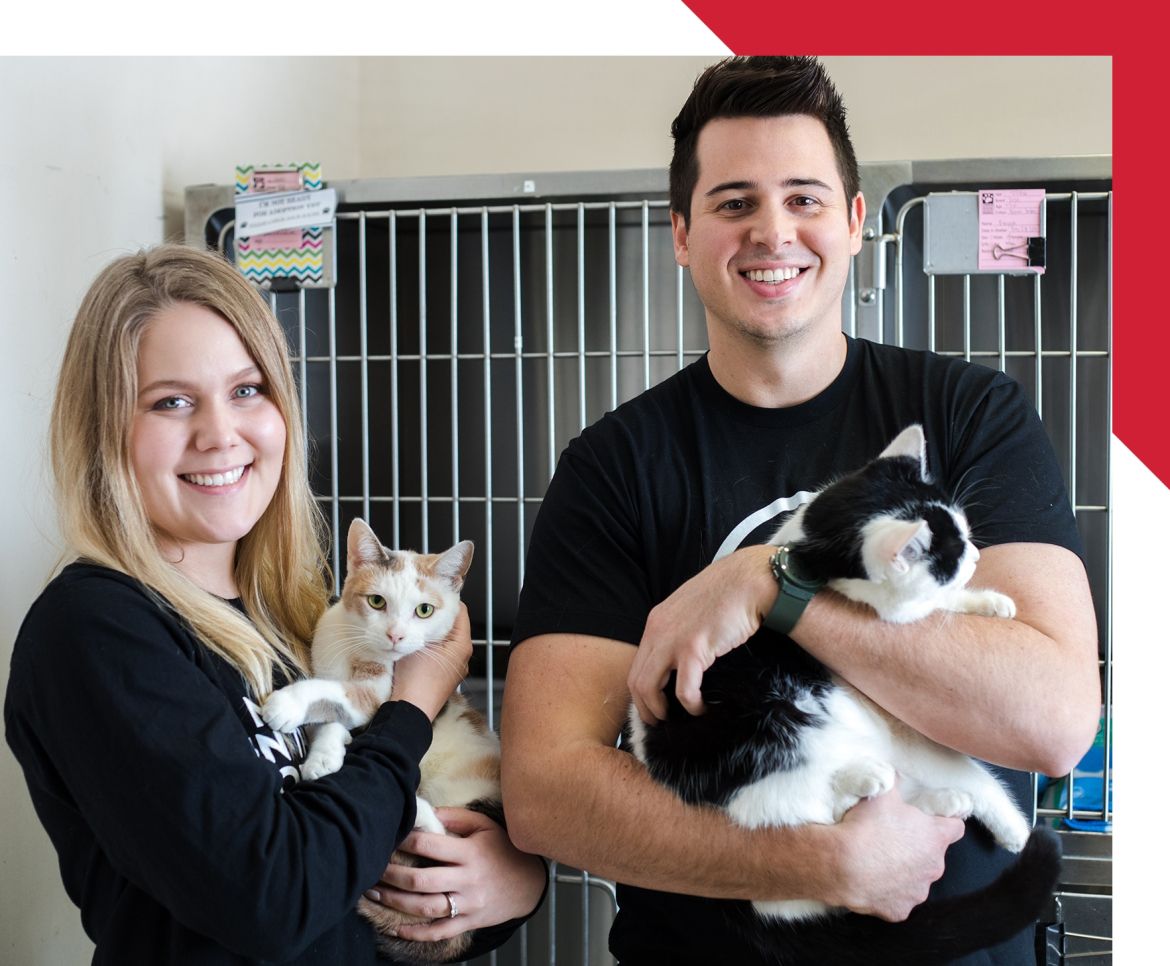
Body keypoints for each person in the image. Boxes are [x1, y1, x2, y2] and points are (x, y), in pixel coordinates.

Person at [500, 56, 1100, 965]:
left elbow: (1054, 721)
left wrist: (772, 586)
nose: (772, 231)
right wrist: (814, 863)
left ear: (858, 222)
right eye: (734, 202)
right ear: (682, 233)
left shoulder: (969, 415)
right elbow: (546, 794)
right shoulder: (613, 467)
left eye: (806, 199)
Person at [4, 244, 547, 965]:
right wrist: (410, 710)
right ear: (105, 432)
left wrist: (508, 884)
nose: (220, 435)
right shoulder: (96, 631)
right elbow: (278, 897)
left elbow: (372, 855)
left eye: (247, 390)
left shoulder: (297, 619)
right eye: (171, 401)